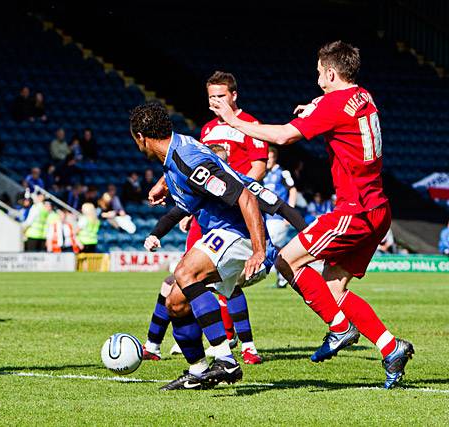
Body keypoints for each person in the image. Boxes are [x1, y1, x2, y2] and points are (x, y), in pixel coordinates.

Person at [208, 40, 413, 389]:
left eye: (319, 71)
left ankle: (338, 329)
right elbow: (337, 105)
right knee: (333, 288)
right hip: (379, 209)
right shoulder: (363, 96)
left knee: (287, 262)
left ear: (330, 73)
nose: (317, 76)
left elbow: (285, 136)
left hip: (355, 209)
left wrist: (233, 120)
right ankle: (391, 347)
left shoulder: (334, 103)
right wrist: (316, 105)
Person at [130, 102, 271, 390]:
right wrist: (165, 184)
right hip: (224, 233)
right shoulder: (177, 152)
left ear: (141, 137)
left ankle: (226, 360)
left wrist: (259, 249)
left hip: (238, 232)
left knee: (184, 271)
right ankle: (198, 371)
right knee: (176, 303)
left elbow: (245, 197)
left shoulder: (186, 159)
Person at [263, 146, 298, 288]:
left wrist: (289, 213)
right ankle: (282, 276)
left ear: (275, 158)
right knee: (276, 249)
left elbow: (293, 190)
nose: (267, 161)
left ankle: (283, 275)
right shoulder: (264, 174)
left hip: (278, 217)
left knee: (273, 247)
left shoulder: (282, 173)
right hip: (267, 217)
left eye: (270, 158)